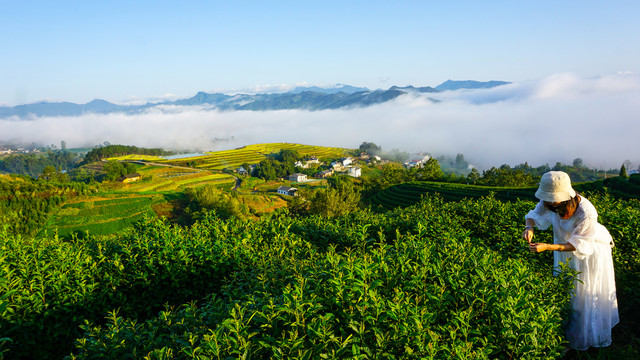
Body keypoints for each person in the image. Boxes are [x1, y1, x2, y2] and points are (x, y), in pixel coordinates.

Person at [523, 171, 618, 351]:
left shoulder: (587, 212)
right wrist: (529, 227)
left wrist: (548, 246)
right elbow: (534, 214)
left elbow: (579, 244)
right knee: (567, 290)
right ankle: (566, 336)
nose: (550, 202)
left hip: (589, 251)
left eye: (554, 199)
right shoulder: (549, 202)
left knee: (584, 293)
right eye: (548, 198)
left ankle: (583, 338)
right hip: (563, 248)